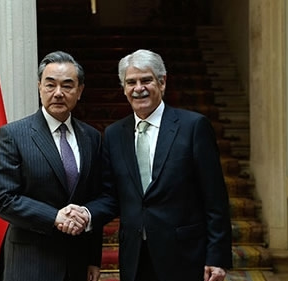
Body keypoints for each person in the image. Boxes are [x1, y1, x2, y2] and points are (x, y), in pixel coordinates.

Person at [61, 49, 233, 281]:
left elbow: (215, 198)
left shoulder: (193, 127)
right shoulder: (114, 134)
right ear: (123, 88)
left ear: (162, 83)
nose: (138, 88)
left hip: (185, 256)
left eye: (146, 80)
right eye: (131, 82)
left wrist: (217, 257)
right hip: (136, 257)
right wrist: (87, 213)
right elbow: (111, 196)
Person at [0, 51, 102, 281]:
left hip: (77, 262)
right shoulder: (13, 135)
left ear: (79, 91)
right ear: (40, 87)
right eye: (50, 85)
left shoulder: (91, 137)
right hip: (30, 261)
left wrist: (93, 258)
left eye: (67, 86)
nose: (58, 93)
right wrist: (54, 217)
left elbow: (95, 196)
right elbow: (2, 198)